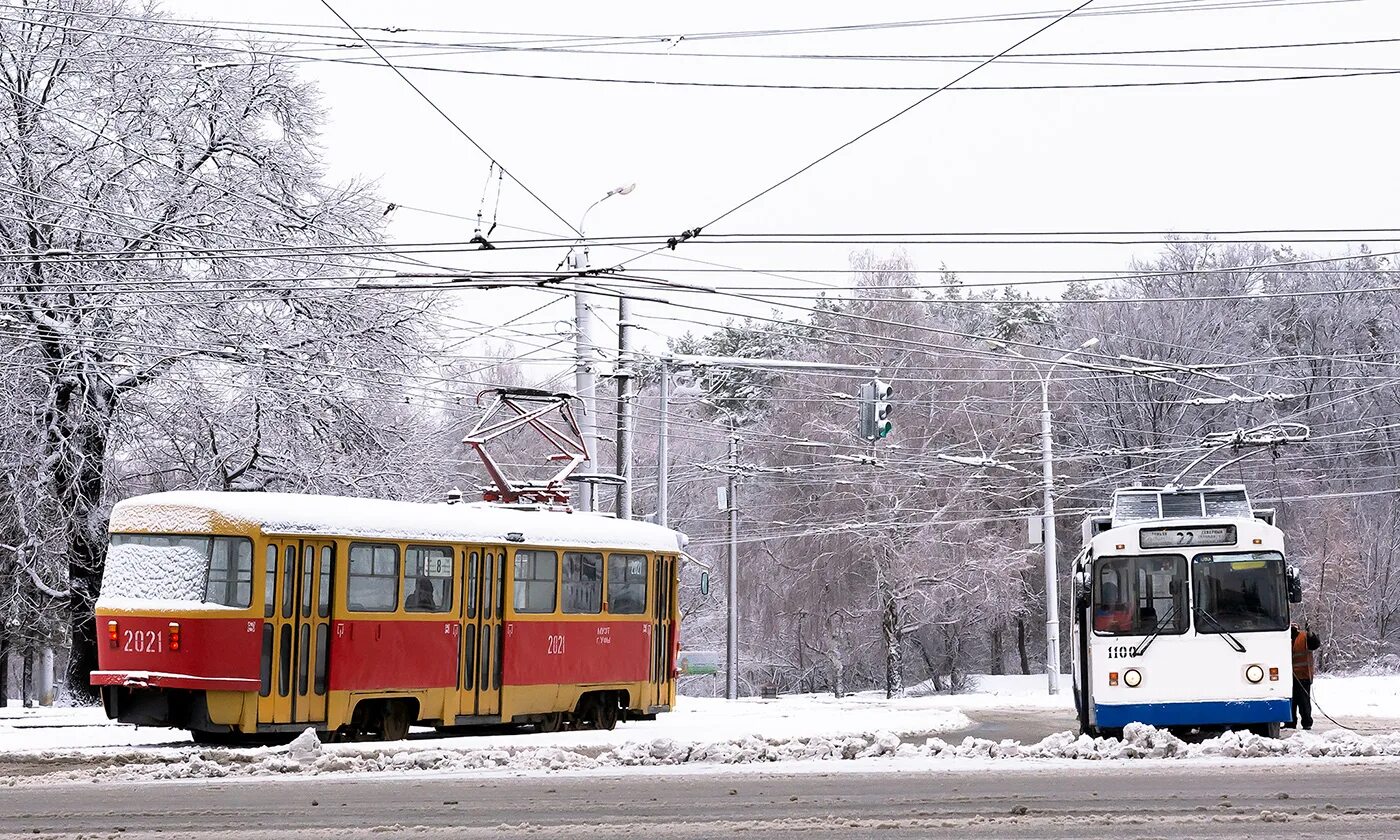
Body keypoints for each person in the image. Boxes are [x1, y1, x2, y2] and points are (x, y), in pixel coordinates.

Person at [1288, 622, 1322, 730]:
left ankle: (1306, 723)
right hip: (1289, 677)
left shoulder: (1304, 637)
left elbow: (1315, 644)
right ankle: (1290, 723)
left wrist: (1310, 634)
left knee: (1303, 701)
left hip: (1303, 675)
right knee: (1291, 701)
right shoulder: (1284, 638)